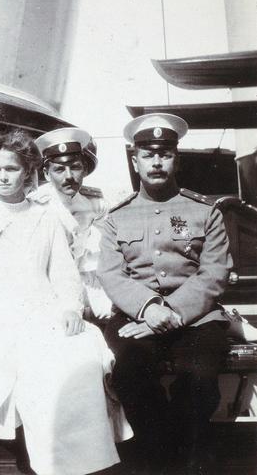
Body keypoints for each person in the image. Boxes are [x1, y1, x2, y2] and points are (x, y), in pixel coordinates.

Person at [0, 129, 128, 475]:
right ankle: (50, 465)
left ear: (27, 171)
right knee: (37, 369)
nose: (3, 177)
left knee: (83, 353)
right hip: (2, 319)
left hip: (47, 312)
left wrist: (70, 308)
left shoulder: (44, 215)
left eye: (11, 168)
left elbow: (64, 273)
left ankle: (90, 464)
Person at [97, 113, 232, 474]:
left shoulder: (205, 212)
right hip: (135, 317)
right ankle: (165, 455)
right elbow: (111, 274)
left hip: (197, 318)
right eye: (148, 155)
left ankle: (175, 455)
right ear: (135, 161)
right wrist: (149, 308)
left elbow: (214, 272)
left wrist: (169, 311)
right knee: (129, 372)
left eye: (165, 154)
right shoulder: (116, 217)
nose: (156, 162)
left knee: (200, 376)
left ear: (177, 160)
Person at [30, 127, 113, 319]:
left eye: (75, 167)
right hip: (48, 284)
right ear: (46, 173)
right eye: (59, 169)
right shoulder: (36, 205)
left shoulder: (96, 204)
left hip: (87, 280)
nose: (68, 176)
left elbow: (105, 253)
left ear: (84, 169)